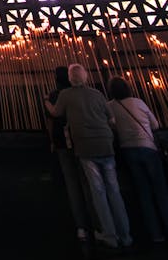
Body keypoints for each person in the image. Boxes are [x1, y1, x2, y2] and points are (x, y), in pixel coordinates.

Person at [45, 63, 132, 249]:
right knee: (113, 190)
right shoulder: (97, 94)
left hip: (85, 146)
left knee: (97, 190)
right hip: (105, 144)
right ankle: (124, 234)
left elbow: (55, 113)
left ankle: (106, 233)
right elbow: (111, 119)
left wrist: (45, 100)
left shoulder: (65, 96)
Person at [108, 75, 168, 245]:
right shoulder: (139, 103)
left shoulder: (110, 106)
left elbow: (111, 126)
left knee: (144, 193)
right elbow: (155, 125)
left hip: (128, 150)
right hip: (148, 148)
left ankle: (155, 234)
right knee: (161, 190)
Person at [44, 65, 94, 243]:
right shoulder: (87, 94)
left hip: (63, 144)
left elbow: (52, 119)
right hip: (83, 141)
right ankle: (96, 224)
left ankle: (82, 227)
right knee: (88, 182)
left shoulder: (55, 96)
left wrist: (51, 141)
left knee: (73, 184)